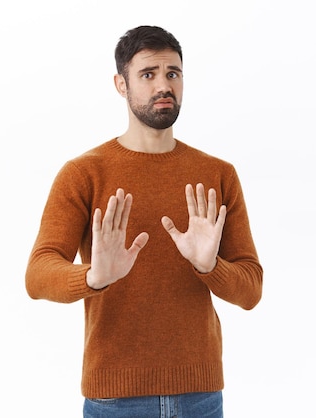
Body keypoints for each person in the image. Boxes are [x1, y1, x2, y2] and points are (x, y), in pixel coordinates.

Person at [25, 25, 263, 417]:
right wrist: (93, 277)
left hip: (199, 397)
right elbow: (37, 274)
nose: (163, 85)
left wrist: (209, 267)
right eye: (148, 74)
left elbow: (251, 290)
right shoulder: (84, 174)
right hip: (115, 398)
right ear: (121, 84)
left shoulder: (218, 174)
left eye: (173, 73)